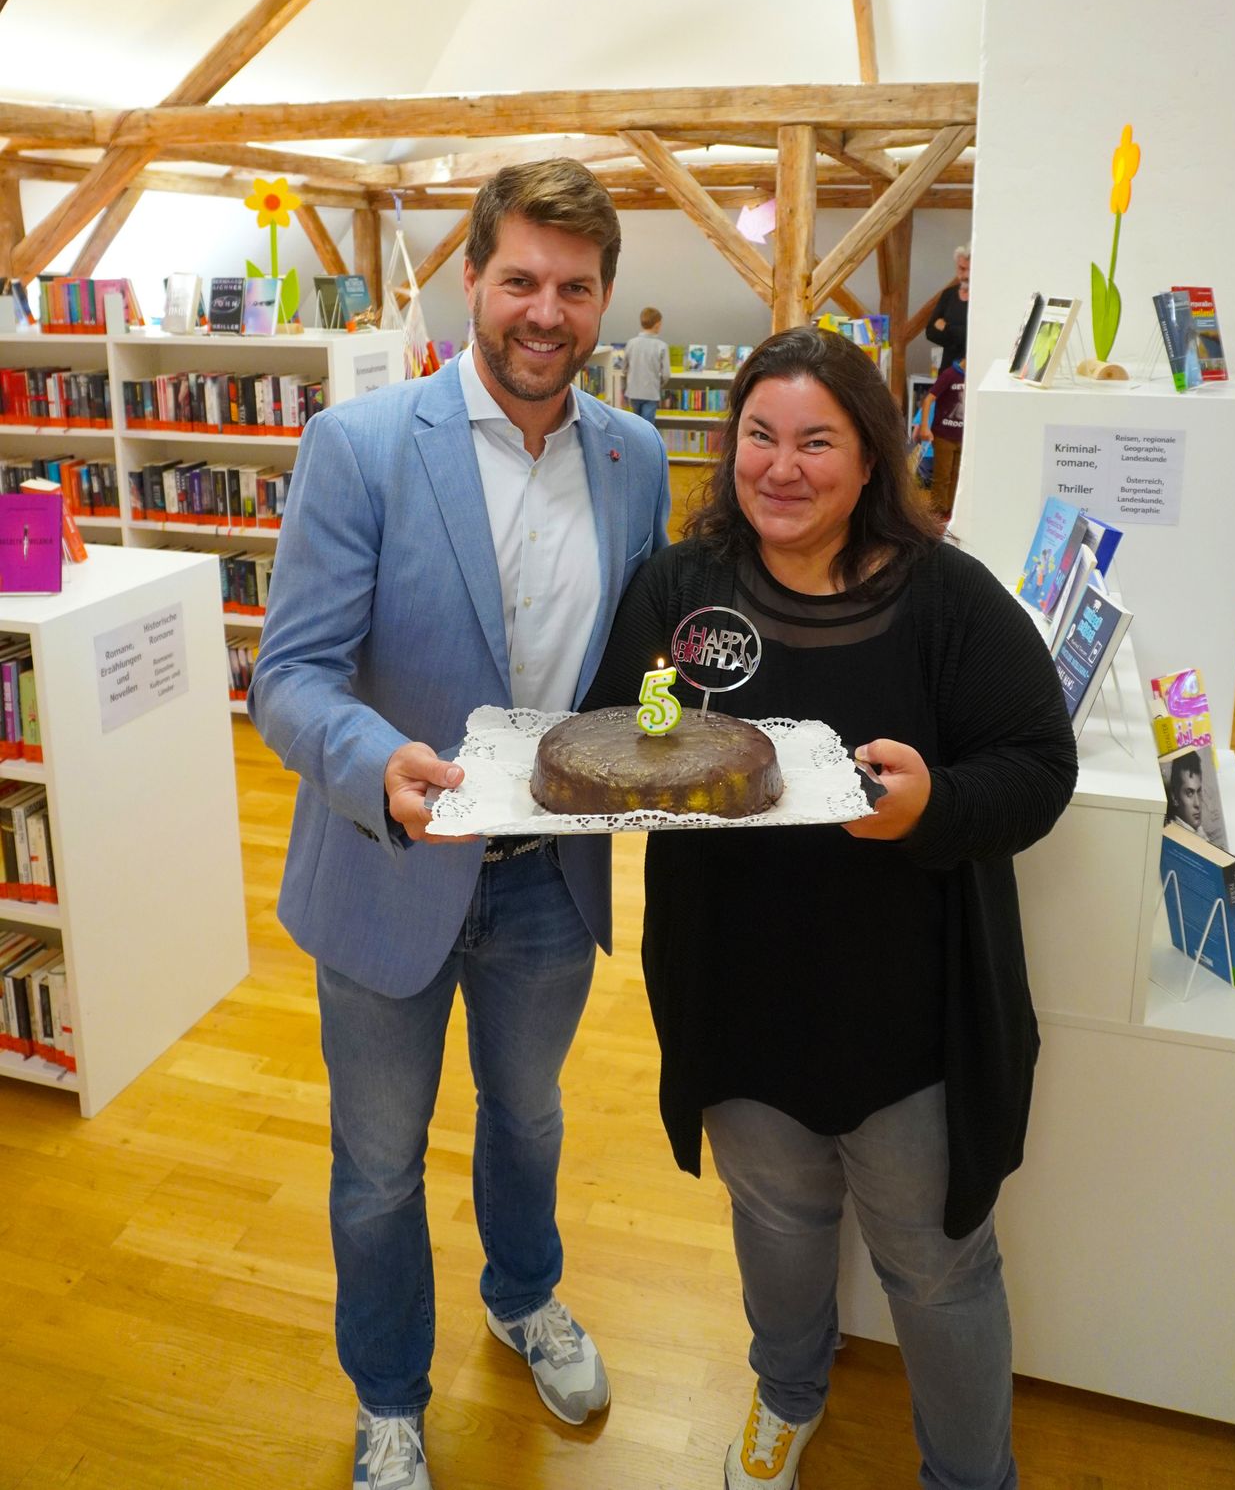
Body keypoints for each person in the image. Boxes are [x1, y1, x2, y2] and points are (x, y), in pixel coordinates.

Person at [584, 325, 1077, 1490]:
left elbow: (1037, 763)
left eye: (818, 441)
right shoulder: (681, 585)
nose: (783, 466)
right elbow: (614, 726)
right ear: (730, 448)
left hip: (905, 1021)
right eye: (760, 436)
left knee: (938, 1265)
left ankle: (971, 1475)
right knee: (779, 1218)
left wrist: (933, 808)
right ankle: (788, 1391)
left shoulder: (945, 598)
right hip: (735, 993)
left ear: (870, 462)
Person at [249, 159, 670, 1490]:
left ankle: (522, 1292)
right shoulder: (362, 447)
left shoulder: (634, 456)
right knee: (376, 1167)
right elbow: (290, 677)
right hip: (391, 868)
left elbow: (629, 669)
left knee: (528, 1117)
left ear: (603, 300)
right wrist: (377, 766)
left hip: (549, 879)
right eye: (520, 280)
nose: (545, 311)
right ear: (470, 280)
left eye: (575, 286)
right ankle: (386, 1397)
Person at [917, 353, 966, 517]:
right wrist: (925, 426)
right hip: (944, 434)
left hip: (962, 435)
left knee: (957, 476)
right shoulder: (950, 375)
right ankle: (937, 512)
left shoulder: (975, 377)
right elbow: (928, 399)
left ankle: (951, 511)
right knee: (942, 475)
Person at [926, 243, 971, 370]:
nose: (966, 275)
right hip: (948, 369)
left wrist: (946, 327)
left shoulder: (981, 299)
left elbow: (972, 336)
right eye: (962, 269)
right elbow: (930, 332)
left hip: (971, 371)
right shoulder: (949, 294)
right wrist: (959, 336)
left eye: (971, 270)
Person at [623, 305, 671, 423]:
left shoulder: (631, 343)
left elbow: (624, 368)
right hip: (651, 392)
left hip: (633, 391)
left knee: (634, 424)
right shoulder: (661, 346)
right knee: (648, 426)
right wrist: (658, 384)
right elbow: (666, 374)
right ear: (657, 324)